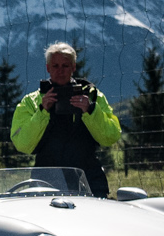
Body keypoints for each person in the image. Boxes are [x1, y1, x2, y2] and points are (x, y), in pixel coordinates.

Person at [8, 43, 121, 198]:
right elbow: (22, 144)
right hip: (46, 183)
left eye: (65, 66)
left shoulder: (93, 97)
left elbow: (111, 136)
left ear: (73, 67)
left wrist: (91, 111)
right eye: (55, 66)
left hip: (89, 182)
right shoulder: (31, 102)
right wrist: (42, 111)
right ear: (48, 68)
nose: (60, 71)